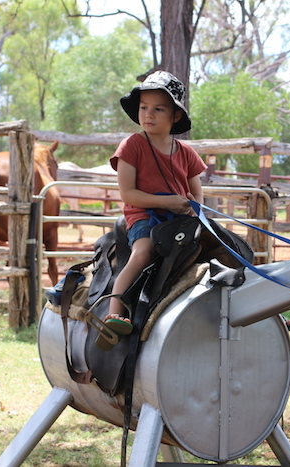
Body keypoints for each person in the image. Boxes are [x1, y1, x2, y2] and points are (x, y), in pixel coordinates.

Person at [97, 71, 207, 350]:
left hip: (180, 219)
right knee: (144, 250)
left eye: (159, 109)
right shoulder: (132, 146)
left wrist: (192, 208)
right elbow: (128, 193)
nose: (149, 114)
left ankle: (264, 309)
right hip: (143, 214)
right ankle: (114, 311)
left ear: (175, 116)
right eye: (144, 107)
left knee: (225, 245)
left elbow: (197, 194)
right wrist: (168, 201)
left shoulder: (187, 153)